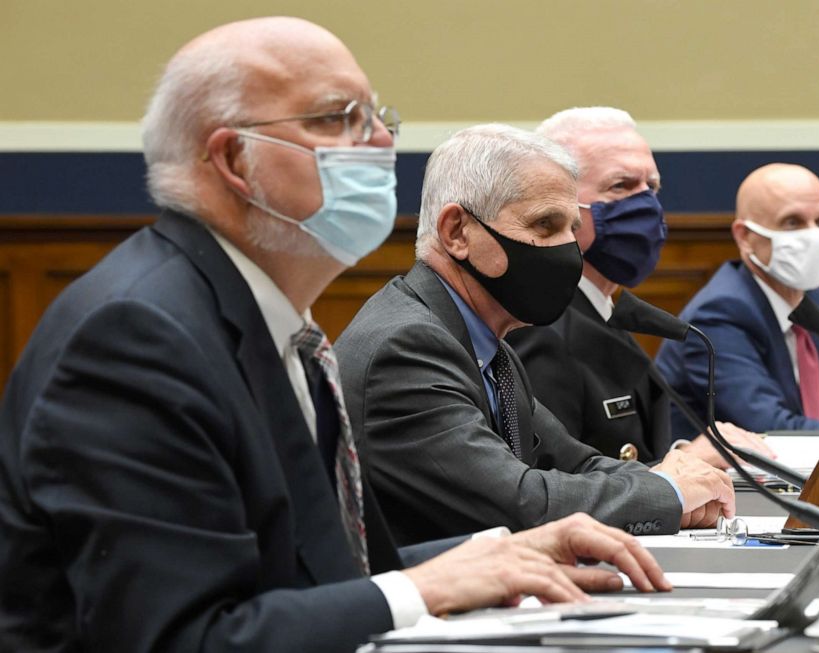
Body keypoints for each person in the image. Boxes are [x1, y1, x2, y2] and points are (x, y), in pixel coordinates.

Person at [0, 17, 671, 653]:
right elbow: (186, 636)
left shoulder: (266, 319)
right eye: (338, 118)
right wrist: (421, 585)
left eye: (379, 116)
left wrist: (491, 557)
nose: (381, 140)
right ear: (235, 158)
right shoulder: (137, 334)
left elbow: (314, 580)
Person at [336, 124, 735, 547]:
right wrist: (668, 492)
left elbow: (578, 465)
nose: (568, 248)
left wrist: (677, 480)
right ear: (456, 232)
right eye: (545, 225)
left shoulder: (488, 345)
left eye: (571, 227)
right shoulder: (408, 347)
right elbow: (519, 503)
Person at [506, 107, 773, 467]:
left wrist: (683, 457)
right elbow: (555, 483)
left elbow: (634, 451)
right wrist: (682, 466)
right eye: (621, 186)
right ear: (557, 204)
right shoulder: (539, 325)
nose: (646, 203)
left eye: (652, 186)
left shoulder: (600, 311)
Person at [657, 163, 819, 434]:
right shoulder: (718, 313)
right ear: (745, 237)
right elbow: (771, 430)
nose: (813, 236)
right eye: (793, 222)